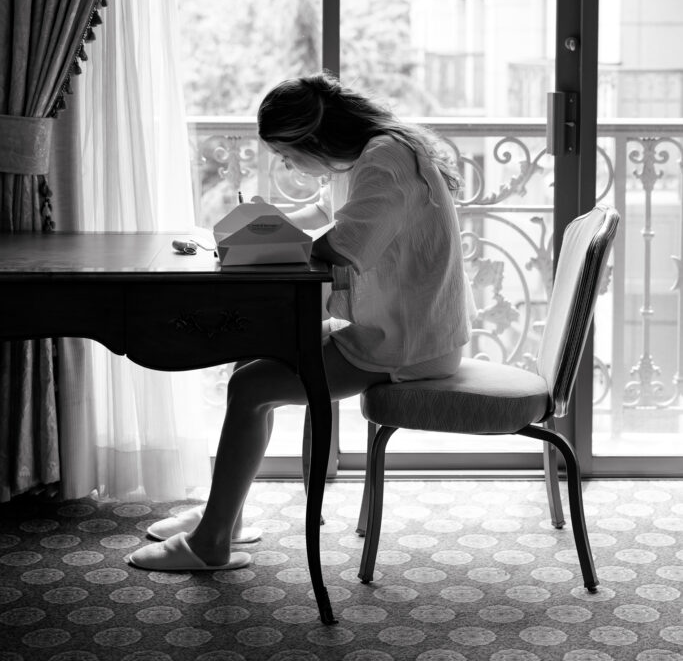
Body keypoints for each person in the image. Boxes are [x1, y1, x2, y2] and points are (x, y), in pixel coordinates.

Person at [128, 71, 475, 572]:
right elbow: (327, 211)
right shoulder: (374, 151)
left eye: (288, 154)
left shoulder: (384, 160)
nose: (288, 164)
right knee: (255, 356)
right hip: (398, 326)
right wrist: (261, 225)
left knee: (250, 388)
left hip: (407, 343)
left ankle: (211, 542)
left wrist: (261, 248)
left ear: (314, 139)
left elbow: (344, 246)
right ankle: (226, 516)